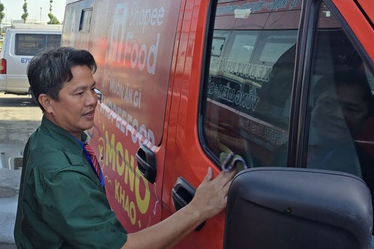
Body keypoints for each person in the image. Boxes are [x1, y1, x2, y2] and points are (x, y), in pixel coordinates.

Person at [13, 47, 237, 249]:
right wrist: (198, 209)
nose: (92, 101)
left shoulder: (47, 137)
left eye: (93, 89)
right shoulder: (63, 174)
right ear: (47, 102)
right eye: (79, 93)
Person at [305, 69, 374, 176]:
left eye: (351, 108)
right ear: (312, 108)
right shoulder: (288, 149)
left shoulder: (365, 170)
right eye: (328, 103)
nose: (337, 114)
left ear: (365, 122)